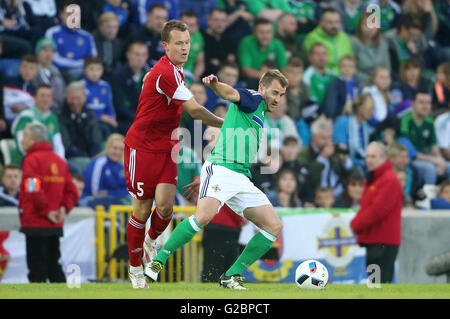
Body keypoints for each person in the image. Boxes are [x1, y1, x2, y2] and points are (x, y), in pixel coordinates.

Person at [146, 69, 288, 290]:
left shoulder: (258, 111)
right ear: (262, 88)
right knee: (203, 217)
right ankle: (158, 260)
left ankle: (232, 275)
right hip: (221, 169)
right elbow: (231, 93)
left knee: (273, 226)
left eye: (281, 95)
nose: (277, 99)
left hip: (240, 177)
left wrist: (204, 177)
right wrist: (215, 85)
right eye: (275, 92)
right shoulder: (254, 98)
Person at [124, 20, 224, 289]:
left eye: (187, 43)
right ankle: (135, 269)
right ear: (165, 45)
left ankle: (150, 242)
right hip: (141, 147)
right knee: (143, 209)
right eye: (178, 43)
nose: (184, 48)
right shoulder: (167, 73)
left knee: (166, 206)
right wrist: (227, 125)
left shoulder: (176, 71)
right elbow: (195, 111)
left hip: (167, 147)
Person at [18, 122, 79, 283]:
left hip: (35, 221)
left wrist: (46, 211)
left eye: (24, 137)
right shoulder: (59, 161)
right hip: (55, 224)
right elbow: (72, 191)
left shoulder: (31, 160)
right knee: (53, 266)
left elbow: (33, 187)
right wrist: (63, 210)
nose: (21, 141)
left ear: (33, 139)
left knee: (36, 269)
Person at [350, 141, 403, 284]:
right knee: (376, 282)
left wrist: (356, 224)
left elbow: (376, 210)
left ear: (384, 158)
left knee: (379, 283)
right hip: (375, 240)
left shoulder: (388, 179)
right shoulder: (375, 178)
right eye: (367, 156)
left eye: (373, 156)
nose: (369, 160)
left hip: (382, 241)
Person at [400, 91, 450, 185]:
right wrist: (435, 160)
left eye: (428, 103)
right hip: (411, 159)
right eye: (421, 102)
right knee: (429, 169)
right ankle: (428, 196)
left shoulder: (430, 122)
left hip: (428, 158)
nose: (425, 106)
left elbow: (434, 146)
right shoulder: (406, 120)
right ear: (413, 104)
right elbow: (409, 151)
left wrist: (440, 160)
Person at [11, 84, 65, 164]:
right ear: (35, 98)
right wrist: (39, 160)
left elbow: (58, 144)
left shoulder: (53, 118)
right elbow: (21, 144)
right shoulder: (26, 116)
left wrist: (60, 161)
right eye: (42, 96)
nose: (45, 99)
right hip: (25, 160)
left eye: (48, 96)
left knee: (72, 170)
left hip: (48, 160)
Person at [44, 2, 97, 82]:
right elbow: (51, 58)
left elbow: (92, 60)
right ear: (61, 15)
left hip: (82, 74)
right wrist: (77, 64)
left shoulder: (87, 36)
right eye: (69, 14)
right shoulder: (52, 33)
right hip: (58, 72)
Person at [58, 81, 103, 172]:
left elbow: (96, 137)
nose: (75, 102)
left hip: (90, 156)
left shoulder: (90, 113)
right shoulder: (61, 115)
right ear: (67, 98)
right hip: (71, 157)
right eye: (72, 98)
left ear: (84, 98)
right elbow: (66, 144)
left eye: (78, 98)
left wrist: (94, 155)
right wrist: (85, 157)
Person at [237, 17, 288, 89]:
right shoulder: (246, 43)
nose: (265, 36)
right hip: (252, 81)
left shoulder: (278, 45)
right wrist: (268, 77)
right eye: (261, 32)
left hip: (273, 82)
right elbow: (246, 70)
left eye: (268, 32)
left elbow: (284, 69)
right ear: (254, 32)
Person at [110, 41, 148, 135]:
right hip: (127, 121)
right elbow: (119, 106)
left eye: (143, 55)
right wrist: (140, 118)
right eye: (137, 54)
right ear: (128, 55)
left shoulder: (151, 75)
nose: (140, 58)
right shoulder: (118, 76)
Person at [81, 133, 128, 208]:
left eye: (121, 150)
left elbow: (128, 191)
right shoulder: (99, 163)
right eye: (115, 148)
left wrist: (110, 193)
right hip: (89, 199)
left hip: (114, 200)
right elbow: (96, 193)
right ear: (108, 148)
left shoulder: (122, 165)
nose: (118, 152)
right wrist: (117, 193)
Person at [303, 7, 353, 75]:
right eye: (330, 22)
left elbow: (350, 59)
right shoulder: (312, 38)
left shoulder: (344, 38)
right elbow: (308, 62)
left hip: (344, 76)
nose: (334, 25)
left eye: (337, 22)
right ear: (321, 23)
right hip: (322, 77)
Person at [333, 94, 375, 168]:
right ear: (361, 109)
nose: (373, 112)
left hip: (361, 163)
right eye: (370, 109)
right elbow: (341, 151)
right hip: (344, 164)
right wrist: (360, 163)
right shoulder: (343, 122)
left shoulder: (365, 126)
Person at [81, 57, 117, 139]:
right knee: (102, 129)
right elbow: (81, 109)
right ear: (84, 70)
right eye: (91, 69)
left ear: (102, 70)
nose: (95, 73)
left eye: (98, 69)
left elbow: (110, 107)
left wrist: (112, 119)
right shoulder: (81, 86)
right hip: (88, 120)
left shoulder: (106, 86)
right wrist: (100, 116)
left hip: (105, 121)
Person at [350, 12, 391, 84]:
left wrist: (382, 79)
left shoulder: (383, 42)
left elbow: (387, 67)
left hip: (382, 82)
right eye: (366, 24)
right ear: (360, 26)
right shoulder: (353, 43)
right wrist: (372, 80)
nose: (370, 28)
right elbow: (352, 69)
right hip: (361, 82)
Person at [127, 3, 168, 68]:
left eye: (164, 18)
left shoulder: (166, 38)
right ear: (148, 16)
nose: (161, 22)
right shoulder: (136, 36)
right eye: (157, 18)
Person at [32, 37, 66, 113]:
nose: (48, 54)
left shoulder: (57, 72)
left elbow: (62, 95)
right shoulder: (32, 70)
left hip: (57, 111)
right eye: (45, 50)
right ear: (38, 52)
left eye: (52, 51)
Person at [3, 54, 38, 125]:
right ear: (19, 68)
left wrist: (25, 108)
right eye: (25, 67)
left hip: (24, 124)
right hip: (3, 121)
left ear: (36, 72)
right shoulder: (6, 82)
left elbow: (37, 110)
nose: (27, 71)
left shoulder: (36, 91)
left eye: (31, 68)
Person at [201, 9, 236, 78]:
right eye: (216, 20)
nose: (220, 24)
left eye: (223, 21)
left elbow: (232, 62)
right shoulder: (201, 37)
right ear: (209, 21)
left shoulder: (228, 39)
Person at [325, 55, 361, 120]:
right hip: (340, 117)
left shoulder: (358, 83)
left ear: (355, 69)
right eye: (344, 66)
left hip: (355, 116)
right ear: (339, 68)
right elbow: (331, 103)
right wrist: (332, 117)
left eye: (350, 66)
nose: (347, 69)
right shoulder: (335, 83)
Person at [302, 43, 335, 112]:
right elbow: (308, 103)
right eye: (317, 54)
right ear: (310, 57)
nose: (321, 57)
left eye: (324, 54)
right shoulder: (306, 76)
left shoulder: (332, 75)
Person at [92, 12, 123, 77]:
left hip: (111, 74)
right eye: (108, 27)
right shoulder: (92, 40)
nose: (112, 30)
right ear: (100, 27)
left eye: (115, 27)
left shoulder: (117, 42)